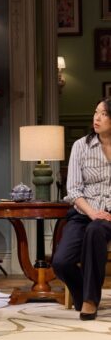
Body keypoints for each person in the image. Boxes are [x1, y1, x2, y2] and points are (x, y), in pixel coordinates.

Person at [52, 98, 111, 321]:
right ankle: (83, 295)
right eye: (96, 112)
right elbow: (74, 190)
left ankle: (90, 301)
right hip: (84, 213)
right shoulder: (80, 146)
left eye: (104, 114)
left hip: (109, 217)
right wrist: (92, 213)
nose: (97, 118)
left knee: (96, 230)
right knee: (61, 262)